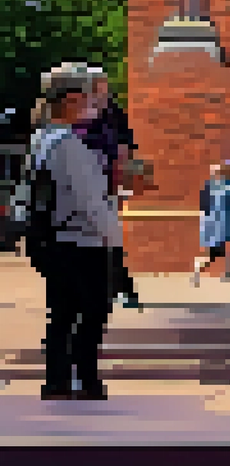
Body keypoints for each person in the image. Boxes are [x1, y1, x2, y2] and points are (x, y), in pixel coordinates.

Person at [33, 65, 122, 401]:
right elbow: (90, 201)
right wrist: (115, 239)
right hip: (81, 240)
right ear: (71, 99)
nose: (96, 102)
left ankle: (56, 380)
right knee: (92, 311)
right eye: (89, 95)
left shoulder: (42, 139)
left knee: (62, 312)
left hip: (53, 238)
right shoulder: (69, 144)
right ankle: (86, 379)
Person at [72, 66, 140, 310]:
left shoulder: (113, 114)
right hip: (78, 186)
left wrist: (121, 179)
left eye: (103, 86)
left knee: (108, 238)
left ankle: (121, 288)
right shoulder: (77, 112)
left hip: (104, 185)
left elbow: (127, 147)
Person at [193, 162, 230, 285]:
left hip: (218, 227)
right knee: (214, 254)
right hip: (216, 227)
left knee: (222, 252)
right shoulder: (220, 187)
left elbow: (205, 208)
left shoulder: (217, 186)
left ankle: (226, 274)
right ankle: (199, 269)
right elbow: (206, 208)